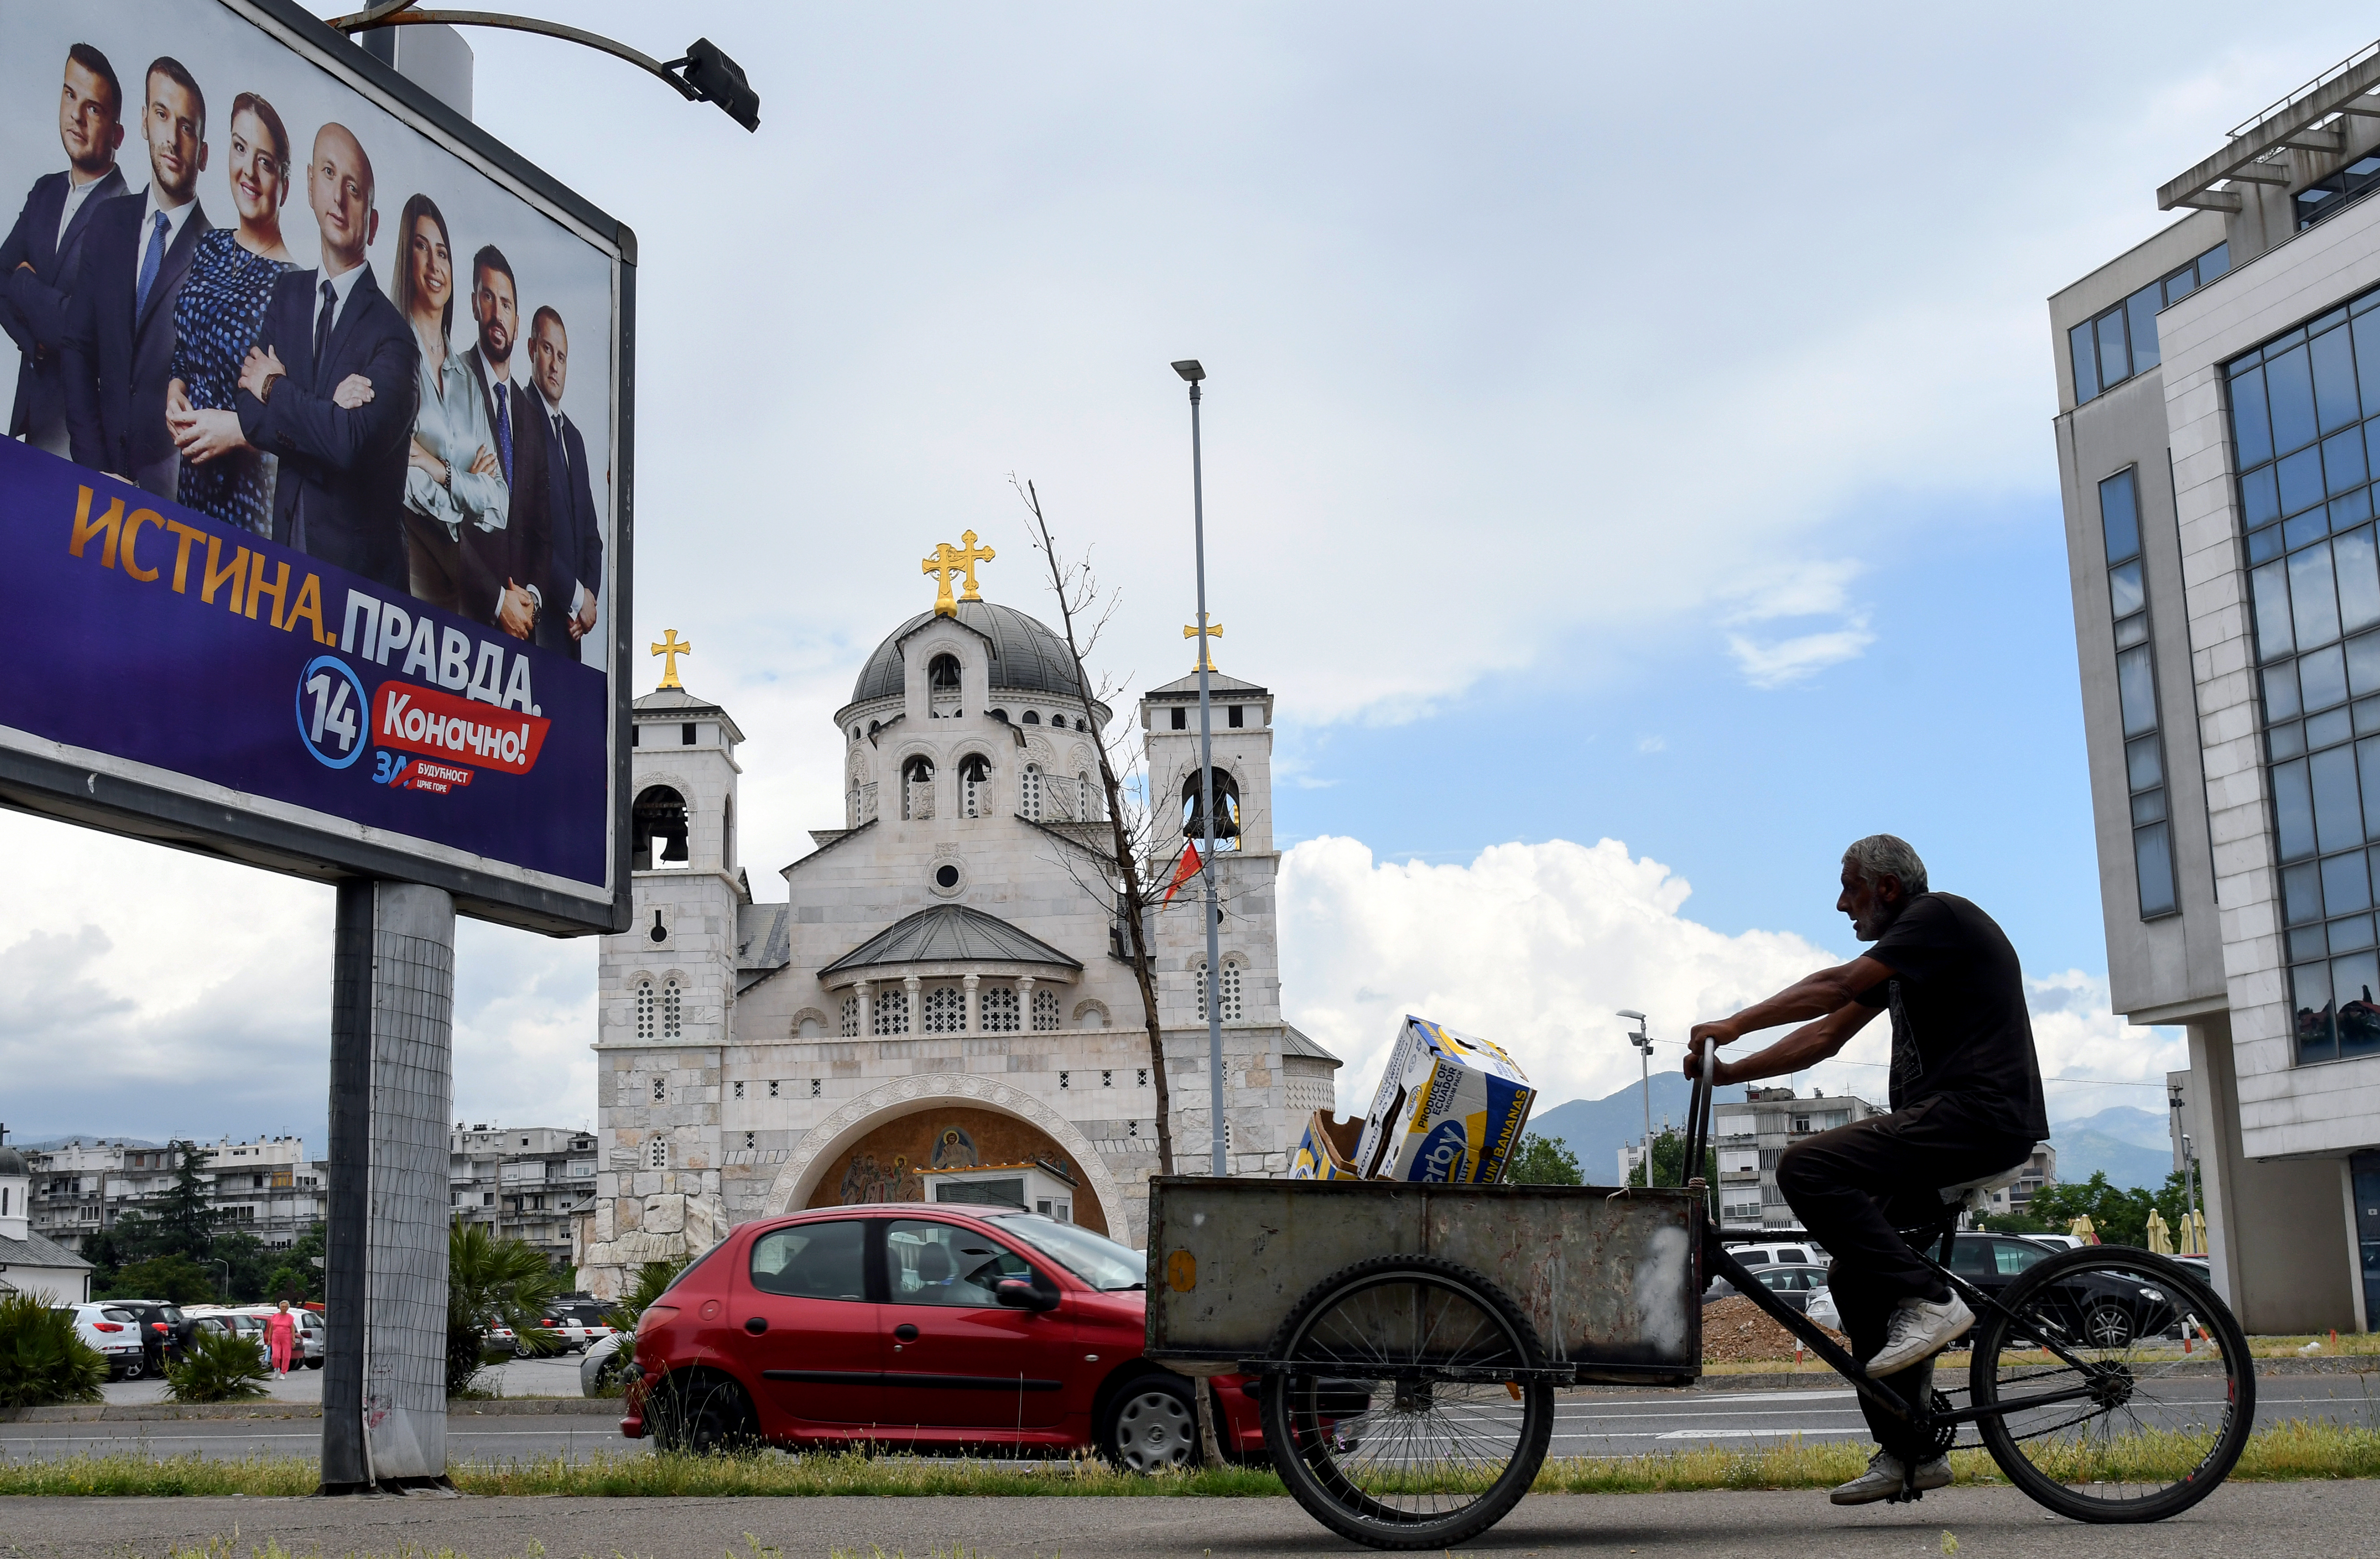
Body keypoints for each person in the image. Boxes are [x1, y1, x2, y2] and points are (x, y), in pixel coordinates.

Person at [1684, 835, 2048, 1507]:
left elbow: (1836, 986)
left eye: (1850, 886)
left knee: (1806, 1165)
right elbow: (1826, 1034)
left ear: (1885, 888)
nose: (1841, 902)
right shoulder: (1912, 958)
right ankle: (1910, 1453)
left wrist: (1734, 1025)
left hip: (1977, 1116)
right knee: (1853, 1278)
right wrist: (1731, 1073)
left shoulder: (1938, 919)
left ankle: (1933, 1302)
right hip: (1948, 1123)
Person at [235, 123, 417, 592]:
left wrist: (276, 388)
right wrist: (325, 413)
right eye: (330, 176)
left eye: (353, 189)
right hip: (284, 563)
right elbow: (249, 415)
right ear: (311, 186)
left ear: (372, 223)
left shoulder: (394, 337)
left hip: (359, 587)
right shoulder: (288, 295)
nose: (338, 198)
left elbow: (350, 443)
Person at [61, 56, 211, 498]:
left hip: (169, 498)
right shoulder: (107, 222)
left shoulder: (217, 255)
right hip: (94, 474)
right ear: (144, 122)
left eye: (187, 126)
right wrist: (94, 468)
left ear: (203, 152)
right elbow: (78, 349)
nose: (173, 137)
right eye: (163, 115)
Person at [161, 91, 298, 534]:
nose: (249, 172)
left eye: (266, 162)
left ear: (285, 183)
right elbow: (187, 344)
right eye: (240, 148)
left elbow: (300, 418)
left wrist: (240, 430)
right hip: (189, 487)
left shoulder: (295, 285)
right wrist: (175, 387)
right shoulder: (213, 245)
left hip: (248, 504)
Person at [0, 44, 128, 455]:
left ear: (118, 134)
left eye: (93, 108)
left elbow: (80, 329)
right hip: (32, 422)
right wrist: (31, 338)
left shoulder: (125, 217)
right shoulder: (46, 191)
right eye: (70, 95)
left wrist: (22, 281)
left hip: (81, 440)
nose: (76, 114)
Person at [391, 192, 506, 613]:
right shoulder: (391, 354)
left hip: (459, 593)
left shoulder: (468, 383)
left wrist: (437, 468)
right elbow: (399, 478)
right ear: (407, 256)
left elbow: (499, 504)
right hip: (406, 573)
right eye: (422, 247)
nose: (435, 264)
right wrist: (465, 486)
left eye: (443, 252)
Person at [458, 246, 544, 639]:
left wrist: (533, 601)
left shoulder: (530, 416)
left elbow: (545, 529)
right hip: (462, 619)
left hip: (522, 634)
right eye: (488, 297)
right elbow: (440, 520)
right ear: (475, 304)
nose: (497, 313)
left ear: (517, 319)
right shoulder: (451, 381)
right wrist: (496, 601)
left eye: (506, 303)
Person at [527, 305, 602, 660]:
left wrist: (588, 601)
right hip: (534, 630)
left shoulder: (574, 438)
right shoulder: (518, 416)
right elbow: (525, 530)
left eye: (563, 356)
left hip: (572, 633)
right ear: (531, 349)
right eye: (547, 350)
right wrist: (576, 599)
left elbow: (592, 538)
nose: (555, 366)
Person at [264, 1298, 298, 1378]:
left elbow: (292, 1329)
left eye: (286, 1307)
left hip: (286, 1337)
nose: (284, 1308)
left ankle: (283, 1373)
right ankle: (276, 1368)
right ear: (280, 1307)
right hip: (276, 1337)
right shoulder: (275, 1316)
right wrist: (269, 1339)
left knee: (286, 1356)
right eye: (283, 1307)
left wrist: (294, 1340)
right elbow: (271, 1328)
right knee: (276, 1356)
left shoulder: (290, 1317)